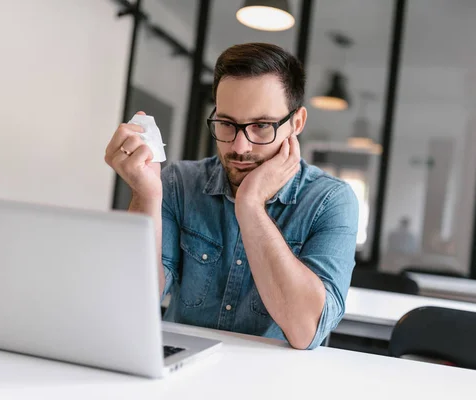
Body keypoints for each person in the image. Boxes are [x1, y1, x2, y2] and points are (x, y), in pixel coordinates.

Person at [104, 43, 358, 350]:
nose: (239, 147)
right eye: (226, 124)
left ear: (297, 123)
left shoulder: (330, 201)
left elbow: (306, 331)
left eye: (262, 126)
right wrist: (146, 195)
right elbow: (133, 303)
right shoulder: (179, 184)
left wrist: (250, 206)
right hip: (179, 370)